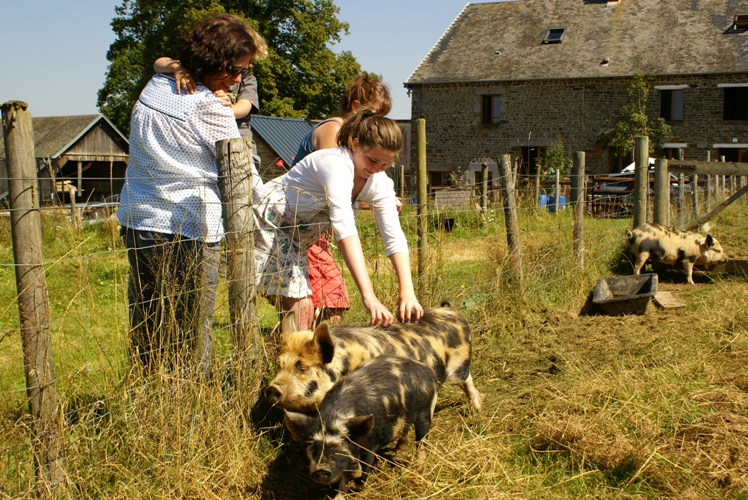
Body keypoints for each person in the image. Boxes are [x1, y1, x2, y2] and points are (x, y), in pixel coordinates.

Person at [117, 14, 267, 375]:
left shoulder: (155, 84)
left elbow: (160, 63)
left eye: (243, 74)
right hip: (193, 229)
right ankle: (191, 401)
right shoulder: (211, 107)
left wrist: (176, 67)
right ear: (210, 60)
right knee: (192, 330)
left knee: (147, 318)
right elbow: (240, 173)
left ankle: (148, 391)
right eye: (233, 70)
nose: (236, 80)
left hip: (139, 218)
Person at [255, 109, 422, 330]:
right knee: (300, 310)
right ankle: (275, 357)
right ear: (355, 143)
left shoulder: (379, 182)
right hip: (271, 225)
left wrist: (407, 291)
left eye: (384, 165)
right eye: (372, 160)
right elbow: (345, 228)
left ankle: (281, 356)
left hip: (300, 238)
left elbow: (393, 235)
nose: (376, 169)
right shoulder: (335, 164)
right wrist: (369, 296)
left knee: (321, 311)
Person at [291, 72, 393, 328]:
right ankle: (294, 350)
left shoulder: (359, 148)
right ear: (357, 106)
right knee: (320, 301)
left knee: (332, 300)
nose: (377, 123)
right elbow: (336, 189)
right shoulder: (333, 131)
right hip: (296, 221)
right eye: (374, 115)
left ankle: (311, 349)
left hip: (318, 226)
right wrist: (368, 201)